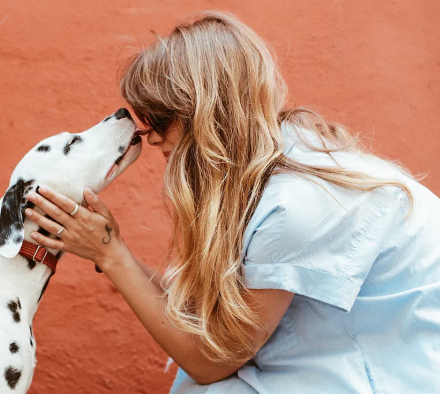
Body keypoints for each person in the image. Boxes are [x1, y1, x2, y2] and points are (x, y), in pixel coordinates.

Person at [24, 11, 440, 394]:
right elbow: (201, 314)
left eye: (161, 117)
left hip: (386, 371)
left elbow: (211, 361)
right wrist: (110, 247)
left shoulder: (295, 205)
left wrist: (110, 254)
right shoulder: (269, 169)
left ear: (206, 110)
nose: (150, 137)